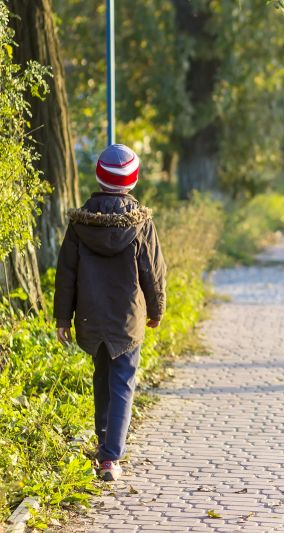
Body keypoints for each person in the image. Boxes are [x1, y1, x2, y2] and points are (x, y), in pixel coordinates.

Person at [54, 144, 167, 482]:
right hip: (127, 319)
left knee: (101, 378)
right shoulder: (141, 222)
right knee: (122, 382)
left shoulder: (80, 223)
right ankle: (110, 458)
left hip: (90, 316)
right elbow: (153, 270)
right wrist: (157, 308)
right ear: (132, 180)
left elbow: (66, 273)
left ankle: (104, 443)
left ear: (99, 177)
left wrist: (63, 317)